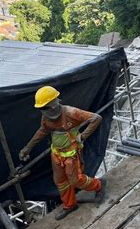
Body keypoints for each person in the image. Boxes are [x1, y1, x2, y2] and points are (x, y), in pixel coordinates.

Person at [19, 86, 106, 220]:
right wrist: (27, 148)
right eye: (41, 108)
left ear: (53, 105)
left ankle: (98, 185)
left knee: (75, 180)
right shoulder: (46, 117)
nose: (43, 111)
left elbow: (96, 118)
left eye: (45, 107)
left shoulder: (71, 112)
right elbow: (42, 131)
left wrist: (83, 136)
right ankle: (69, 204)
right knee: (60, 181)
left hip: (71, 154)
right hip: (57, 154)